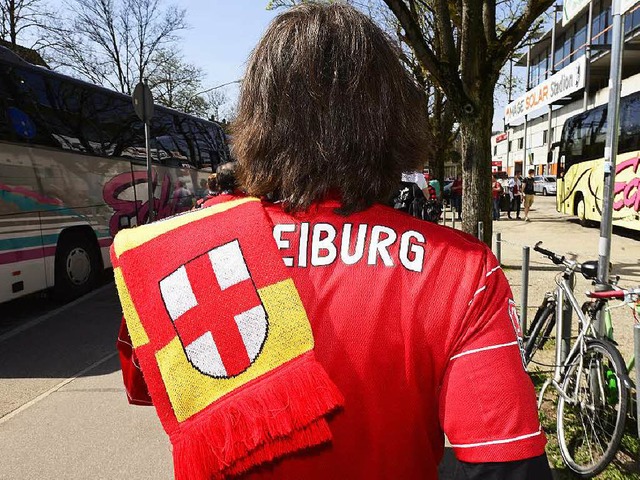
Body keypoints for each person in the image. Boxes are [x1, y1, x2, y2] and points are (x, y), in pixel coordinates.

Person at [120, 4, 551, 479]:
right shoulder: (461, 273)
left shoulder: (174, 252)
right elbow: (507, 466)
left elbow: (149, 387)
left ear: (258, 121)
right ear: (392, 121)